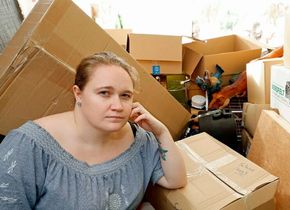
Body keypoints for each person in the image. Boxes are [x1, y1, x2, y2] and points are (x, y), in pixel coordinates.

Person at [0, 51, 187, 209]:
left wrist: (161, 132)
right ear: (78, 93)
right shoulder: (28, 147)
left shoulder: (139, 140)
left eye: (125, 96)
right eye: (104, 93)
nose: (118, 106)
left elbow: (175, 180)